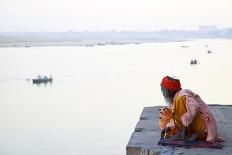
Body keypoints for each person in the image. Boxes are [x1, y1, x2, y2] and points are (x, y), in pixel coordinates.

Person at [159, 76, 220, 142]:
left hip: (204, 128)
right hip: (199, 128)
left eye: (163, 91)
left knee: (179, 101)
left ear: (168, 91)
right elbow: (179, 117)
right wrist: (169, 127)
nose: (163, 94)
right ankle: (190, 134)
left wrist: (185, 127)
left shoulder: (182, 96)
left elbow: (195, 106)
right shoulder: (177, 99)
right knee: (166, 112)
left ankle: (186, 135)